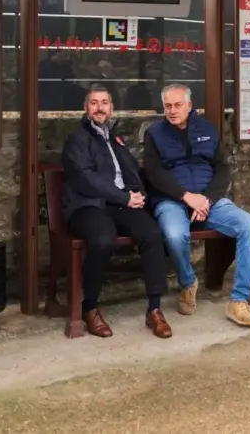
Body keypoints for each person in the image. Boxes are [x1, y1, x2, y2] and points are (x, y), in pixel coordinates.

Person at [143, 83, 250, 328]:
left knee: (249, 225)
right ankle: (188, 282)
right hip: (171, 201)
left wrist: (207, 199)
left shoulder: (207, 129)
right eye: (168, 106)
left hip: (208, 201)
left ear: (189, 105)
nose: (172, 110)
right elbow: (153, 173)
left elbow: (222, 168)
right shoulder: (154, 133)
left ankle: (239, 300)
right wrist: (186, 196)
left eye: (177, 105)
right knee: (175, 235)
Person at [62, 84, 172, 339]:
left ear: (111, 108)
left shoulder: (115, 138)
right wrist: (124, 197)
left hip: (120, 204)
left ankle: (154, 309)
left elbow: (131, 172)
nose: (100, 107)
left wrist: (138, 195)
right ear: (86, 108)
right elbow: (84, 179)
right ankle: (89, 307)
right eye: (94, 103)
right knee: (102, 239)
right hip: (88, 206)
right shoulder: (77, 139)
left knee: (152, 234)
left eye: (104, 102)